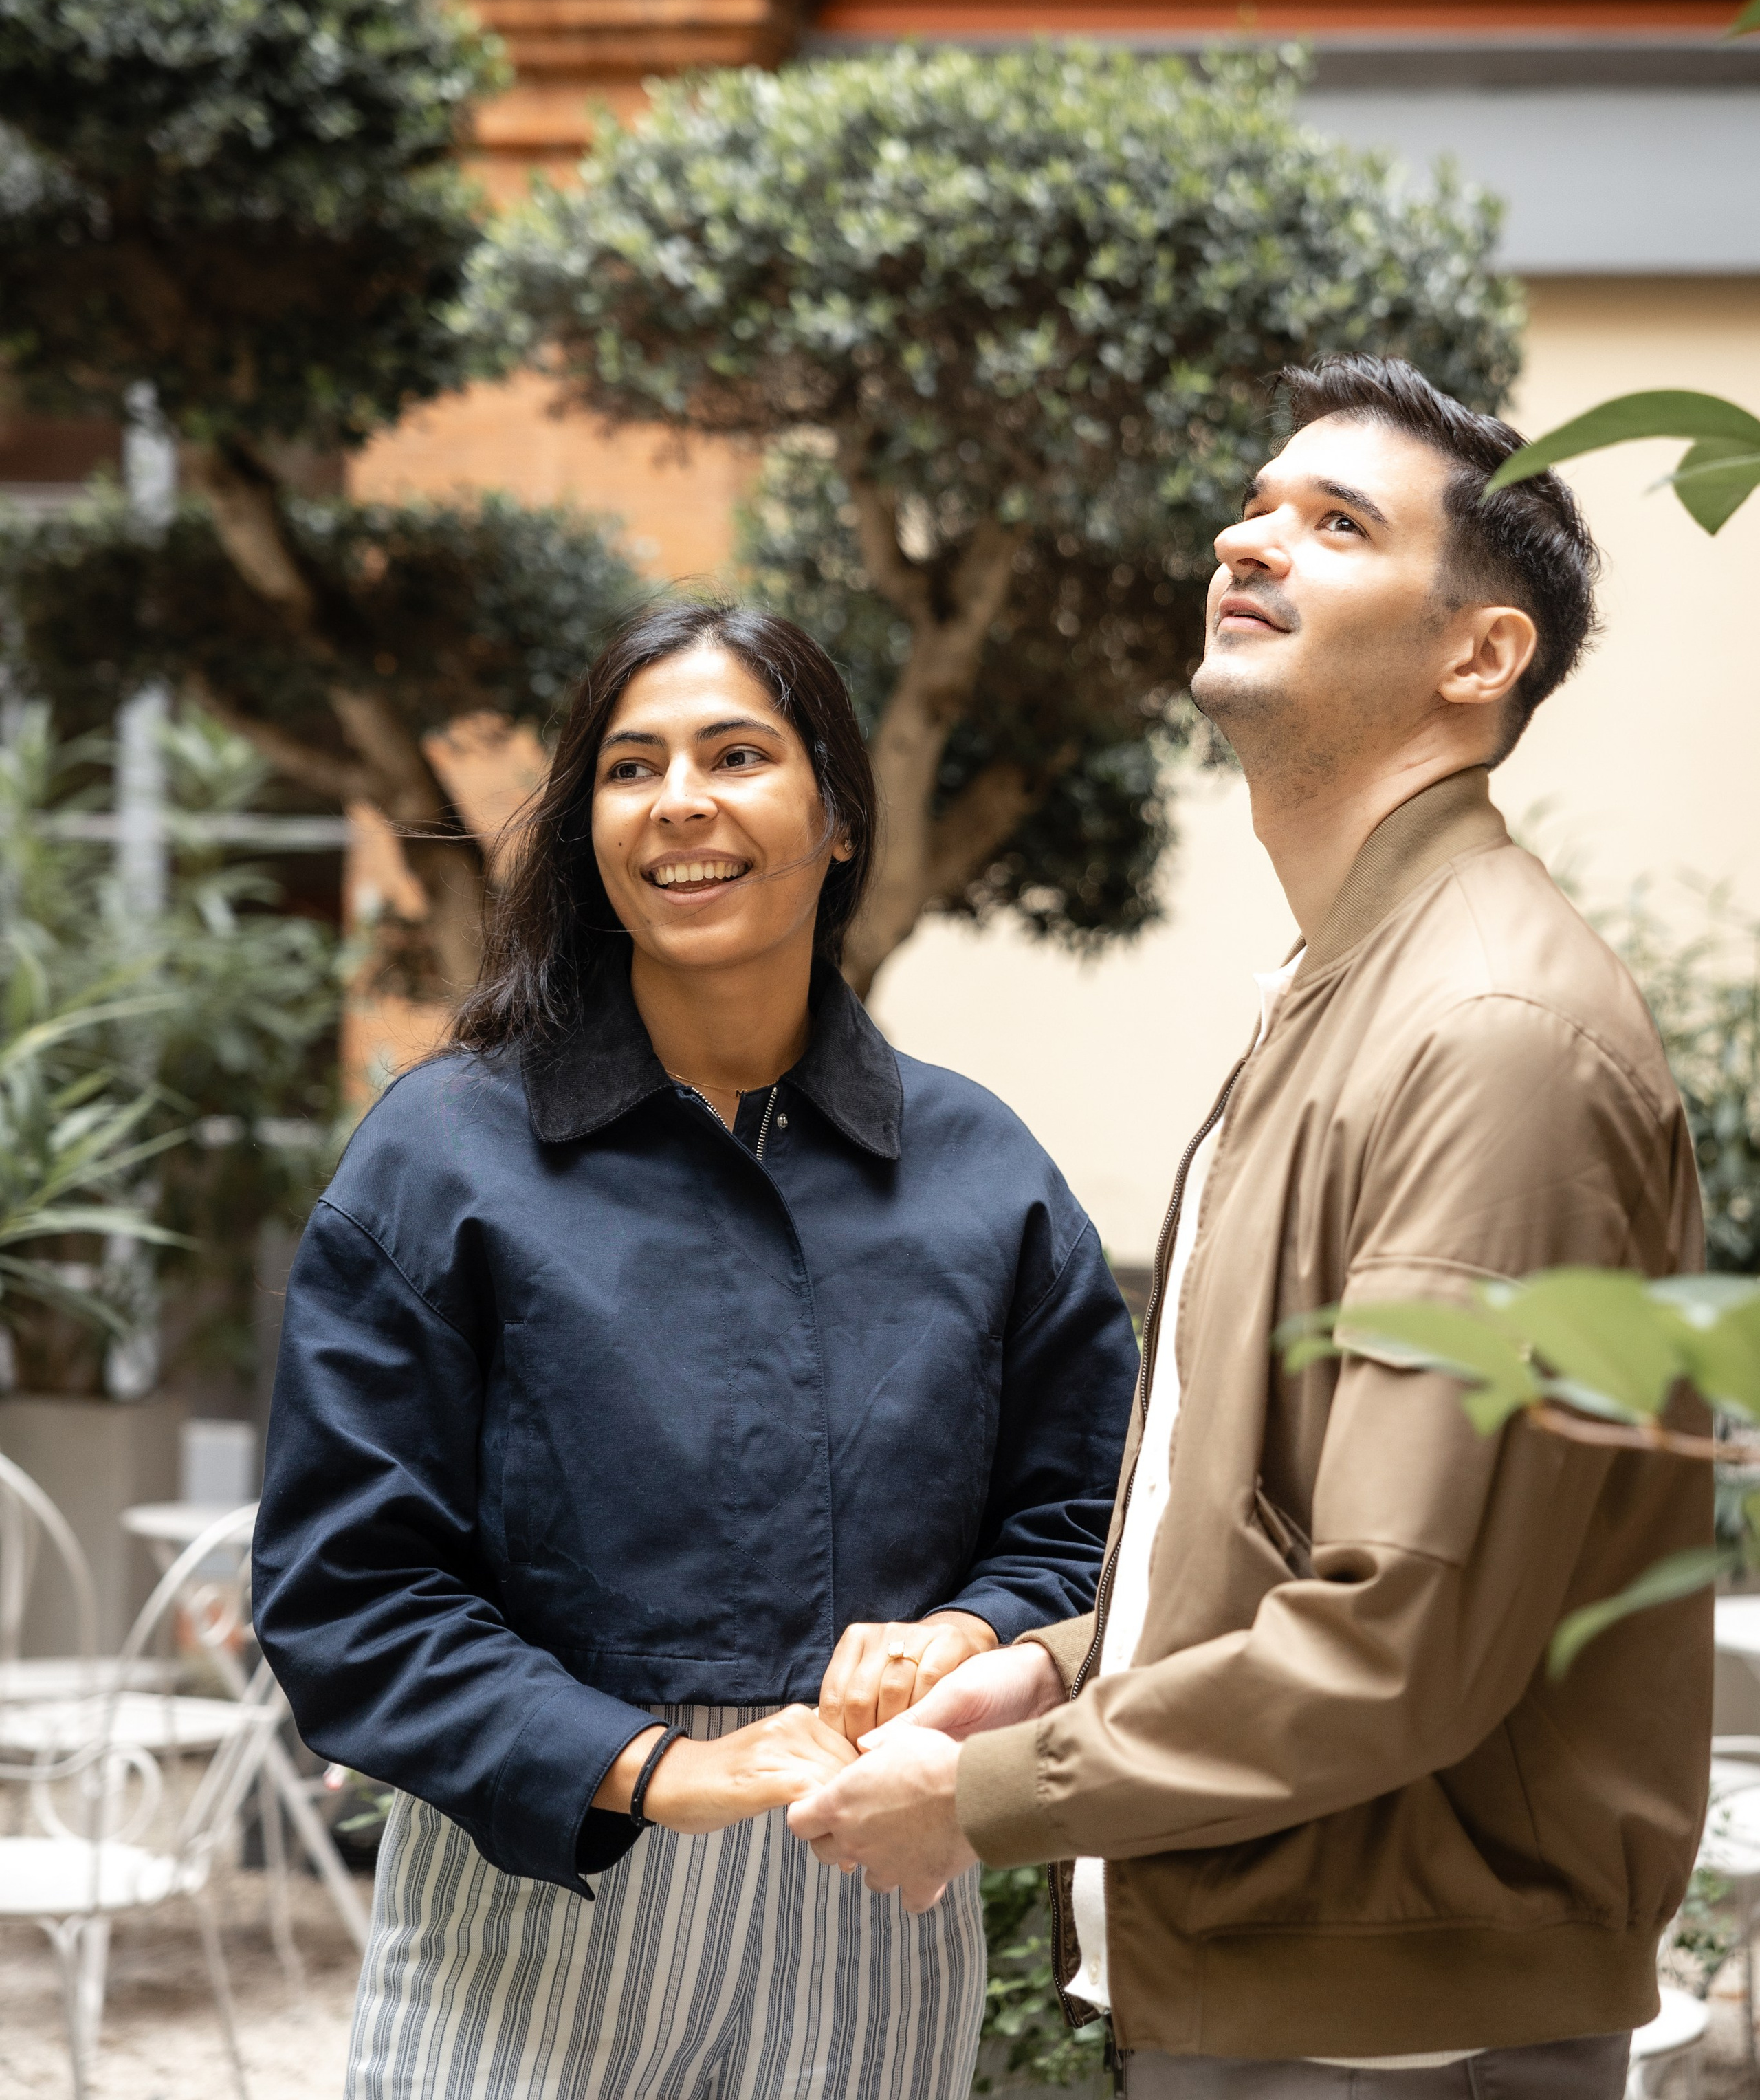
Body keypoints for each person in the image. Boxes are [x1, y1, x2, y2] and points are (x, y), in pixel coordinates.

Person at [789, 357, 1712, 2099]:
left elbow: (1397, 1635)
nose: (1247, 539)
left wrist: (979, 1797)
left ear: (1477, 654)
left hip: (1399, 2029)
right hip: (1302, 1989)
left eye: (1336, 523)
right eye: (1254, 504)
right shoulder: (1349, 993)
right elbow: (1266, 1539)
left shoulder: (1488, 1033)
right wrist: (1043, 1675)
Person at [252, 599, 1139, 2100]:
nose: (679, 802)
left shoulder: (982, 1171)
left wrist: (974, 1632)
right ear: (587, 829)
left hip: (873, 1888)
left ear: (839, 819)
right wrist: (659, 1769)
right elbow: (348, 1590)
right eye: (630, 766)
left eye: (736, 755)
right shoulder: (443, 1154)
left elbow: (1097, 1528)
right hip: (538, 1897)